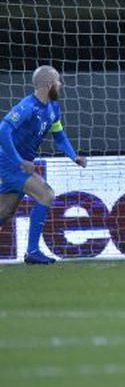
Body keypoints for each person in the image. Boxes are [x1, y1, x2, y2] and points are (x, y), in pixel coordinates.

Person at [0, 66, 86, 265]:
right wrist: (19, 160)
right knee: (46, 194)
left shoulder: (53, 108)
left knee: (5, 211)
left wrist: (74, 157)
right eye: (58, 81)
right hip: (10, 162)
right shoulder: (27, 106)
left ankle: (32, 251)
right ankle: (32, 251)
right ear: (49, 85)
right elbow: (3, 130)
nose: (60, 85)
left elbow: (59, 136)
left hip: (21, 164)